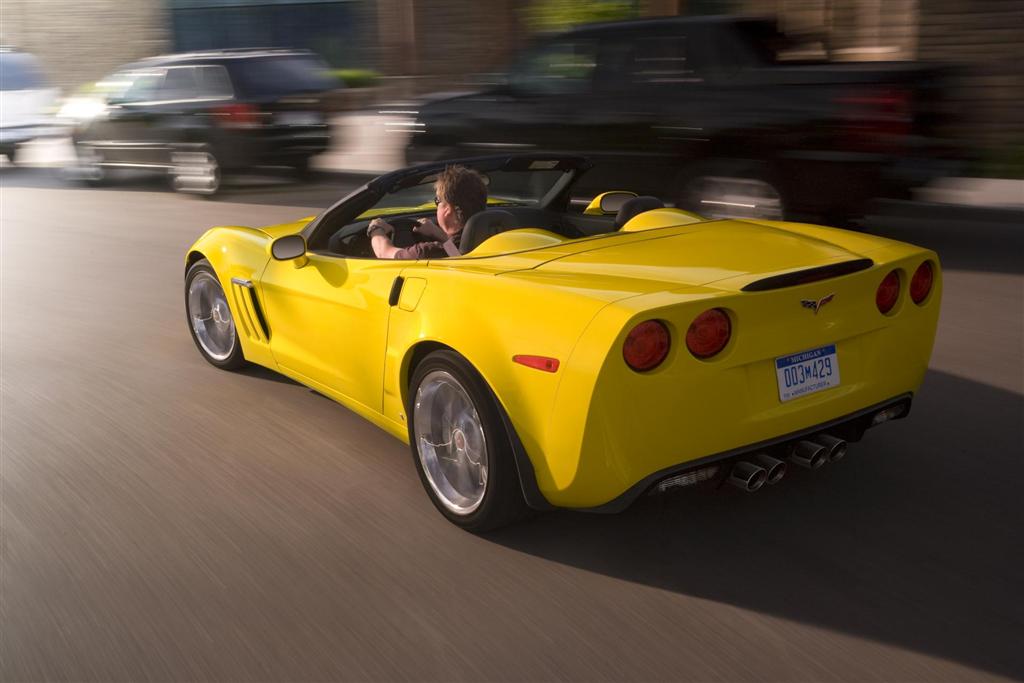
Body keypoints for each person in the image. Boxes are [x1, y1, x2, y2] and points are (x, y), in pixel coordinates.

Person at [368, 164, 487, 259]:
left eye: (437, 201)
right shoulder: (491, 237)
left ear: (447, 209)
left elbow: (385, 254)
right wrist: (440, 235)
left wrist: (376, 229)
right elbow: (457, 255)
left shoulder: (427, 253)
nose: (436, 204)